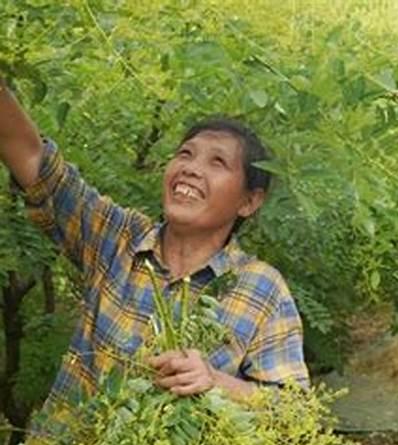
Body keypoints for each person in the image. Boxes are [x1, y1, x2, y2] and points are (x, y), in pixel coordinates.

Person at [0, 76, 310, 417]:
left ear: (249, 201)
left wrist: (216, 382)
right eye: (185, 154)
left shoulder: (262, 289)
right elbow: (33, 159)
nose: (191, 169)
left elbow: (296, 414)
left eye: (217, 162)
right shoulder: (117, 238)